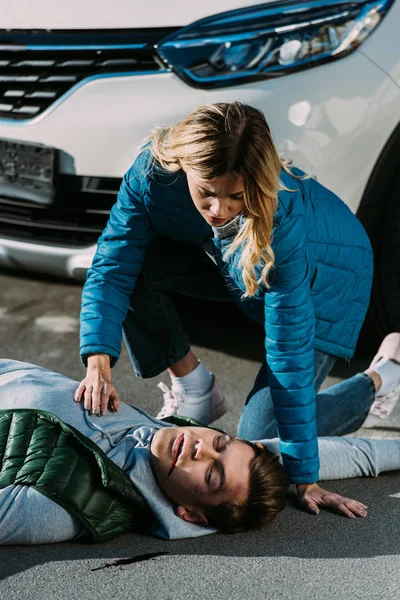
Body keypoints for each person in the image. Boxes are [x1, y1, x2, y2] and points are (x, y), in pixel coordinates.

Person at [79, 101, 377, 512]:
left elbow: (287, 351)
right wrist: (98, 365)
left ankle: (379, 382)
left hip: (331, 275)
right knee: (136, 266)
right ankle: (194, 387)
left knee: (260, 435)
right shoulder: (150, 174)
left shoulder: (281, 218)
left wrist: (305, 479)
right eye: (205, 193)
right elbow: (113, 266)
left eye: (235, 196)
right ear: (184, 165)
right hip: (235, 260)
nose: (218, 210)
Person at [2, 357, 400, 546]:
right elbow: (350, 453)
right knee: (267, 426)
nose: (199, 447)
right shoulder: (168, 448)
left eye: (212, 475)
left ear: (190, 514)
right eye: (220, 443)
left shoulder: (58, 507)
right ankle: (385, 375)